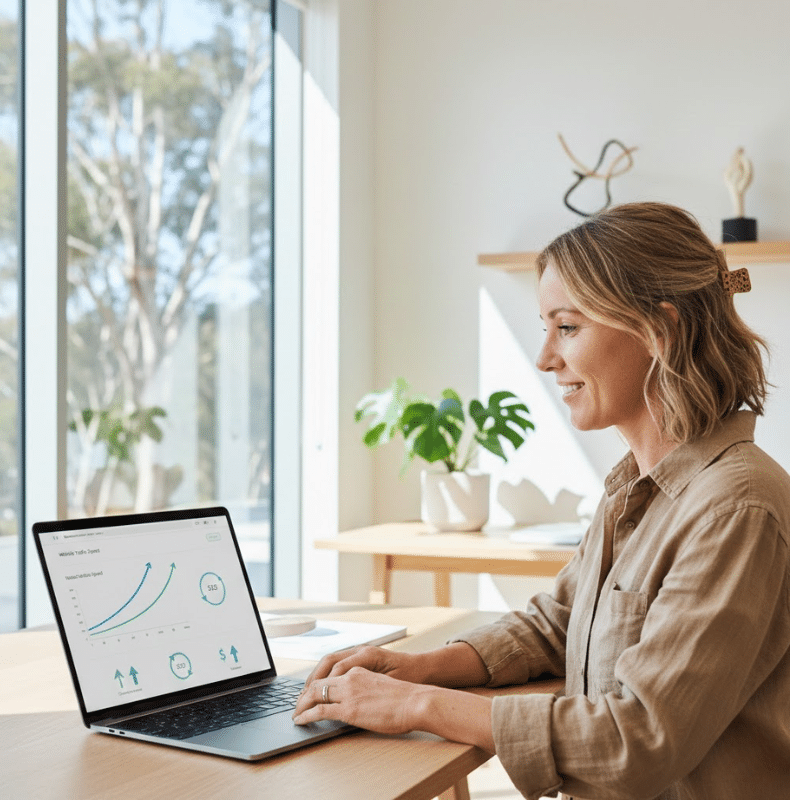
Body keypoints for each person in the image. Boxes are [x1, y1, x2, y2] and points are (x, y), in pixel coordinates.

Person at [293, 202, 790, 800]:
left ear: (660, 329)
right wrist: (418, 668)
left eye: (568, 327)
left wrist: (416, 705)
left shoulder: (735, 510)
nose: (545, 357)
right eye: (545, 327)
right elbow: (558, 623)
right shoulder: (636, 490)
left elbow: (638, 738)